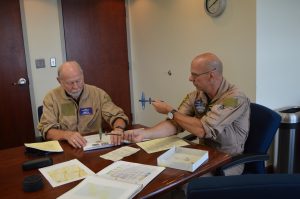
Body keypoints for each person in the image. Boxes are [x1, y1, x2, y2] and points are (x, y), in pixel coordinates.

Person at [122, 52, 250, 176]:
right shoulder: (195, 96)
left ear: (211, 75)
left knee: (186, 183)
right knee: (163, 173)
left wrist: (170, 110)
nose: (190, 78)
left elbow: (203, 130)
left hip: (228, 160)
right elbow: (174, 122)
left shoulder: (234, 99)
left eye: (194, 75)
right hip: (203, 154)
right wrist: (145, 133)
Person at [37, 61, 129, 148]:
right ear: (59, 81)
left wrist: (118, 129)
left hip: (93, 145)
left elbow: (118, 116)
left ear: (83, 76)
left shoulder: (98, 94)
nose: (75, 87)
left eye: (78, 81)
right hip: (66, 147)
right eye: (70, 83)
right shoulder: (51, 98)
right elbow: (46, 130)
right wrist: (66, 135)